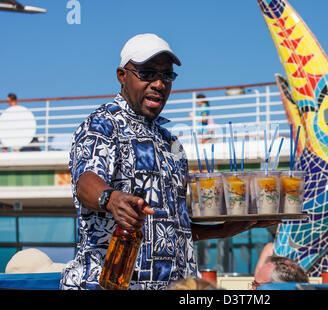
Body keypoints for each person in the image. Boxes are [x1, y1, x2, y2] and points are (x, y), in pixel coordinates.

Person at [59, 33, 277, 290]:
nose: (159, 84)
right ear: (122, 76)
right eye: (148, 73)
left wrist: (225, 230)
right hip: (110, 284)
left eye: (167, 75)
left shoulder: (169, 142)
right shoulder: (103, 124)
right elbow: (85, 181)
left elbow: (174, 228)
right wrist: (111, 198)